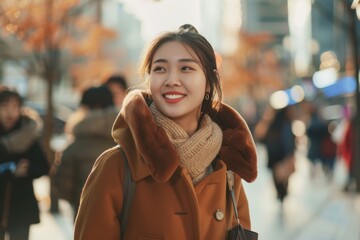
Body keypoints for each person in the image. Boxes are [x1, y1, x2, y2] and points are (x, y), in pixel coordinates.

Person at [74, 24, 258, 240]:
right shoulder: (117, 166)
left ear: (209, 82)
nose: (171, 80)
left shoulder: (228, 170)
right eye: (160, 69)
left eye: (186, 68)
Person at [53, 85, 118, 220]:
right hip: (120, 209)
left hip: (83, 210)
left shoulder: (75, 143)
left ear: (85, 108)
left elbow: (62, 186)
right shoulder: (124, 136)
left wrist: (76, 198)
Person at [0, 86, 49, 240]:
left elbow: (44, 166)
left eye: (15, 106)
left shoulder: (28, 134)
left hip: (21, 207)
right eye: (4, 106)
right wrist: (9, 171)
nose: (10, 112)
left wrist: (28, 169)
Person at [260, 105, 296, 206]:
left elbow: (263, 139)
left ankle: (280, 193)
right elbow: (289, 141)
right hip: (282, 154)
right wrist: (291, 153)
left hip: (273, 155)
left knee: (276, 176)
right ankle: (282, 193)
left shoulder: (271, 123)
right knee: (284, 176)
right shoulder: (286, 123)